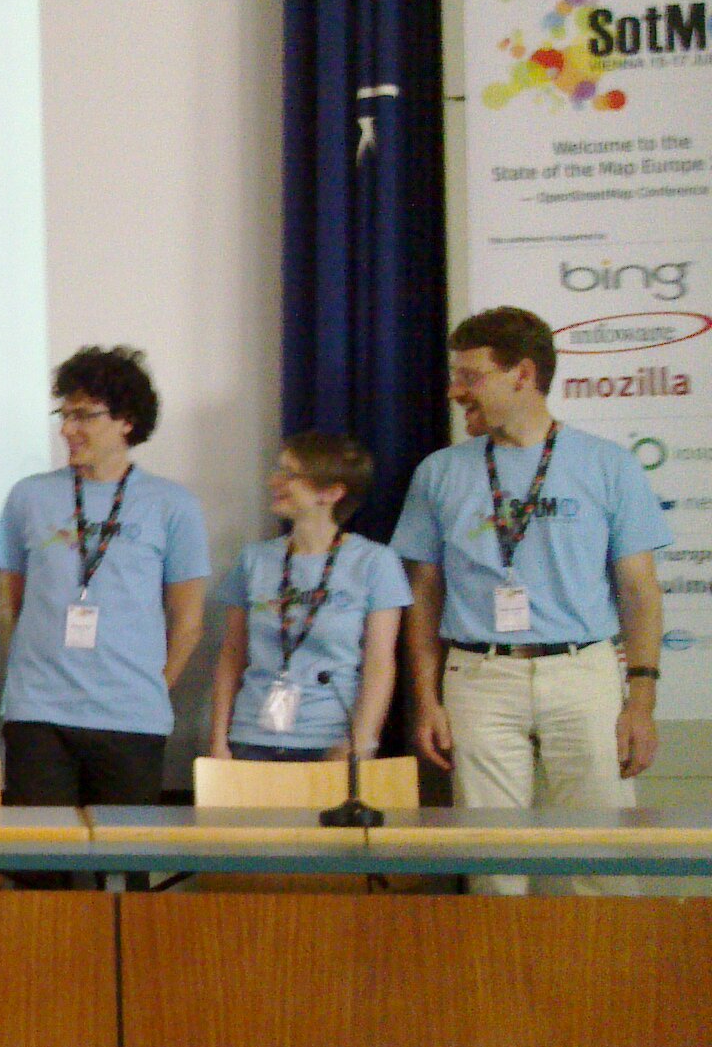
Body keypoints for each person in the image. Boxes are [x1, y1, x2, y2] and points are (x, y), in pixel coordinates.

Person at [391, 306, 668, 895]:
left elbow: (640, 592)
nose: (455, 390)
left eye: (471, 376)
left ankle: (607, 960)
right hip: (479, 675)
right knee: (492, 863)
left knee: (605, 856)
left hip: (583, 671)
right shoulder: (439, 472)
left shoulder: (608, 464)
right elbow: (423, 594)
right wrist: (426, 698)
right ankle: (500, 961)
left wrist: (641, 702)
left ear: (522, 374)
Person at [0, 347, 209, 808]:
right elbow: (10, 603)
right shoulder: (29, 496)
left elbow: (188, 622)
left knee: (121, 849)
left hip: (130, 717)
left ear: (126, 420)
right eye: (64, 414)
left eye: (83, 416)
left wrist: (151, 690)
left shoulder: (172, 505)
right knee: (42, 849)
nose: (67, 429)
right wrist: (28, 676)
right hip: (39, 713)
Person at [207, 434, 408, 763]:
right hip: (251, 736)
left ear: (331, 493)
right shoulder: (255, 560)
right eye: (279, 471)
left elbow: (380, 664)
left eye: (290, 475)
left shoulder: (374, 562)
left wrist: (361, 740)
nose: (275, 481)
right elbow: (231, 655)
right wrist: (219, 739)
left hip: (330, 740)